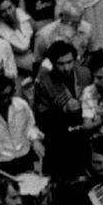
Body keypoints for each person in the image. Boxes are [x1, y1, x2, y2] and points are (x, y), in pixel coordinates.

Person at [33, 41, 91, 178]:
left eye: (69, 62)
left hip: (85, 135)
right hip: (60, 140)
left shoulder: (85, 74)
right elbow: (42, 119)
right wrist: (63, 111)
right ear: (53, 63)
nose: (66, 68)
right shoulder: (44, 83)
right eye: (61, 64)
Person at [0, 0, 37, 76]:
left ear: (14, 5)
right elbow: (8, 60)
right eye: (3, 11)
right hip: (22, 71)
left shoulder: (21, 13)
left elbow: (37, 30)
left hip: (37, 60)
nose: (8, 13)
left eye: (10, 8)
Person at [32, 0, 93, 67]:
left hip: (78, 68)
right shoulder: (44, 35)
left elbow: (89, 53)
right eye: (71, 23)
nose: (75, 27)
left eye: (77, 23)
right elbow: (37, 61)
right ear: (61, 17)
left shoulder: (87, 28)